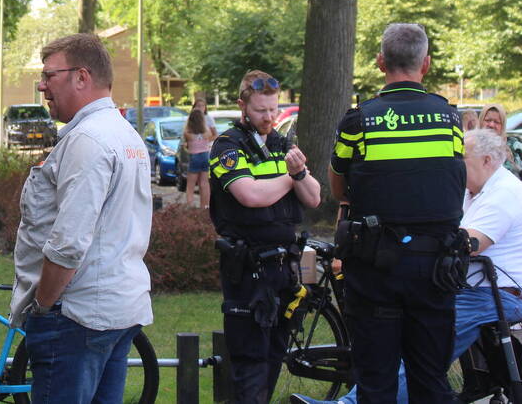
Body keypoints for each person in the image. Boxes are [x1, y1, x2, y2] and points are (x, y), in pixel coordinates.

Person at [291, 128, 522, 404]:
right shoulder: (474, 191)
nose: (455, 165)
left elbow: (469, 243)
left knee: (423, 348)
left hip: (495, 294)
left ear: (487, 160)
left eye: (462, 158)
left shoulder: (504, 192)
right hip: (466, 286)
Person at [9, 33, 153, 404]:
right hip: (118, 309)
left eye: (49, 76)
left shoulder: (88, 140)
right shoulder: (126, 135)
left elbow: (68, 243)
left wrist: (42, 306)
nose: (42, 86)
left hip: (77, 316)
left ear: (81, 77)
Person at [328, 23, 465, 403]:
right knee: (431, 380)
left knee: (376, 381)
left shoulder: (358, 121)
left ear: (380, 62)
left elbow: (338, 187)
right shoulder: (449, 119)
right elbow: (451, 179)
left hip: (376, 269)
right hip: (435, 270)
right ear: (427, 64)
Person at [208, 70, 322, 403]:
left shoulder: (282, 143)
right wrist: (292, 178)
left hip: (284, 269)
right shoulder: (228, 146)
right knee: (251, 361)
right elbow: (251, 195)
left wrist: (298, 173)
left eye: (273, 109)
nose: (269, 117)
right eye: (261, 110)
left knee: (274, 357)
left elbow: (314, 197)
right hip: (248, 272)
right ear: (242, 105)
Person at [183, 105, 217, 208]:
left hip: (194, 157)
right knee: (204, 183)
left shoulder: (187, 133)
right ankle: (205, 206)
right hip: (205, 156)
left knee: (191, 185)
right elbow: (212, 134)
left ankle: (191, 206)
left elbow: (186, 141)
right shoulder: (207, 132)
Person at [479, 103, 521, 175]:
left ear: (503, 125)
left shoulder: (514, 145)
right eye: (488, 120)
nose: (491, 125)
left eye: (497, 122)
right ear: (480, 121)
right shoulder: (471, 145)